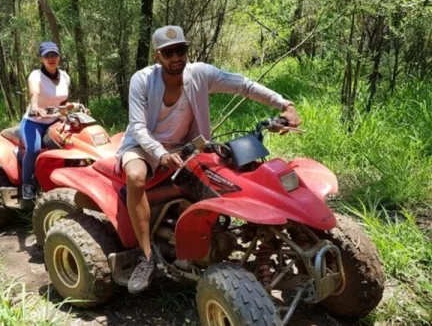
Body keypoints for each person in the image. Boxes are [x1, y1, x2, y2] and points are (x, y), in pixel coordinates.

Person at [116, 25, 302, 294]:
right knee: (135, 178)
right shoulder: (142, 80)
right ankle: (146, 258)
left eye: (181, 50)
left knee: (230, 178)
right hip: (143, 146)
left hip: (187, 146)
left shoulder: (200, 73)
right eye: (169, 52)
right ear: (158, 55)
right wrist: (160, 154)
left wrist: (284, 104)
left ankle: (213, 240)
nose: (176, 57)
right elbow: (137, 127)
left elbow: (244, 85)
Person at [20, 41, 71, 200]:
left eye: (54, 55)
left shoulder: (65, 76)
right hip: (34, 122)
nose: (51, 58)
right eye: (47, 55)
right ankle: (27, 185)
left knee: (72, 144)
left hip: (55, 122)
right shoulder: (36, 75)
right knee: (34, 149)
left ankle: (67, 180)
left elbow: (62, 101)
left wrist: (68, 110)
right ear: (41, 58)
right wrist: (35, 108)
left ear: (59, 57)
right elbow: (34, 93)